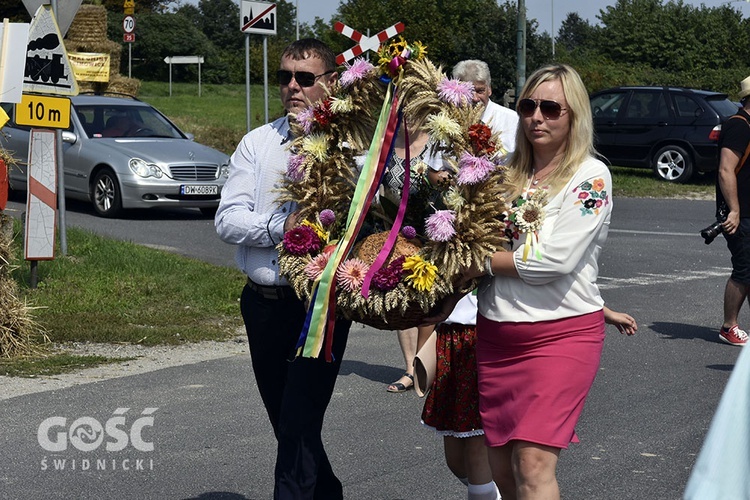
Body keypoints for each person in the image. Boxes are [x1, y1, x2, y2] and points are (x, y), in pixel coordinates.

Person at [427, 63, 613, 499]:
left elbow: (556, 259)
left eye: (551, 108)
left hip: (560, 336)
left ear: (574, 116)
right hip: (496, 336)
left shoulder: (591, 176)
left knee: (531, 467)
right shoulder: (503, 173)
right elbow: (468, 233)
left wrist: (481, 261)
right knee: (503, 472)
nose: (537, 117)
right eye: (528, 106)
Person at [215, 38, 352, 499]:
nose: (293, 87)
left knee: (297, 420)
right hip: (265, 304)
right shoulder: (258, 143)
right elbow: (227, 220)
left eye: (306, 78)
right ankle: (327, 492)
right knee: (289, 423)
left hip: (319, 307)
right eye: (284, 78)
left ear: (330, 83)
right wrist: (280, 226)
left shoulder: (354, 150)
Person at [715, 75, 750, 347]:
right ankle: (729, 325)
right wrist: (734, 210)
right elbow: (726, 170)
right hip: (741, 214)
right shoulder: (739, 126)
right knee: (744, 270)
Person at [452, 59, 518, 155]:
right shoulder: (447, 124)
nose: (475, 98)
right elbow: (435, 167)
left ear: (489, 89)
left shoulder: (513, 121)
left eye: (480, 91)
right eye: (469, 92)